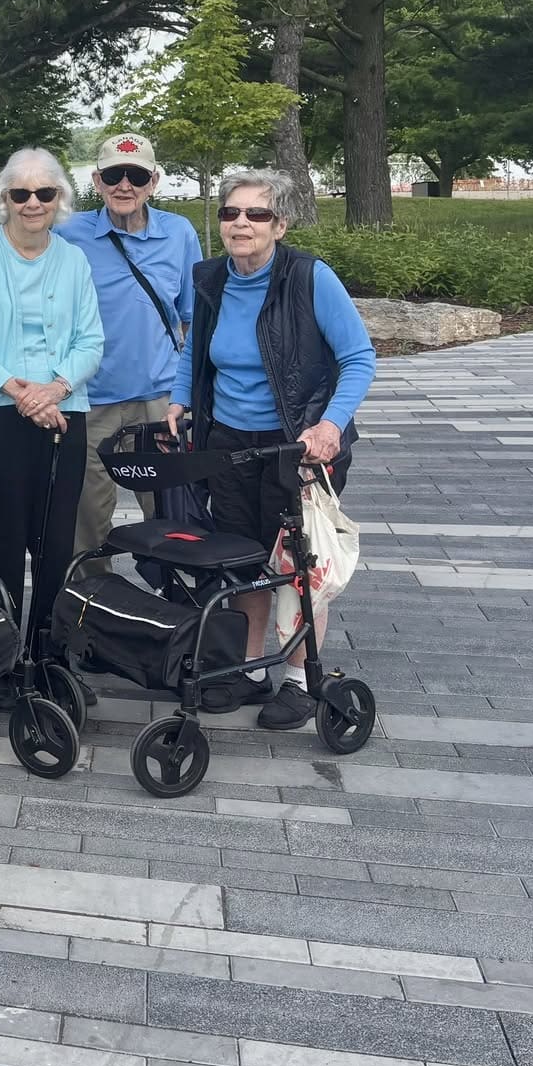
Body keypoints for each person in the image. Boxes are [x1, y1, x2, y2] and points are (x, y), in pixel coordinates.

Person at [168, 169, 377, 730]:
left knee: (299, 562)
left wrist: (330, 426)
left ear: (279, 224)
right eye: (231, 213)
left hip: (298, 444)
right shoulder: (211, 278)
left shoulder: (309, 278)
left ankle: (300, 678)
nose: (241, 223)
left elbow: (359, 358)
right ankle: (248, 669)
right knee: (243, 559)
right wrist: (179, 399)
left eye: (256, 214)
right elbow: (196, 352)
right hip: (229, 443)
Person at [0, 149, 104, 649]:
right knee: (3, 539)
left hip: (64, 410)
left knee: (57, 540)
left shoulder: (74, 258)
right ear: (5, 199)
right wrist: (20, 392)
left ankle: (47, 648)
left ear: (59, 199)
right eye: (21, 193)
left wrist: (55, 388)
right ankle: (1, 646)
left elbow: (91, 341)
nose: (33, 203)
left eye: (45, 193)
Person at [57, 133, 202, 577]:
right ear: (96, 181)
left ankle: (176, 610)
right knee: (86, 526)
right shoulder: (68, 234)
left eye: (136, 175)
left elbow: (194, 318)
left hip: (158, 401)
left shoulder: (179, 234)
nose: (125, 185)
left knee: (170, 517)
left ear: (153, 181)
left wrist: (187, 392)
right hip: (88, 398)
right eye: (114, 175)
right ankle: (86, 616)